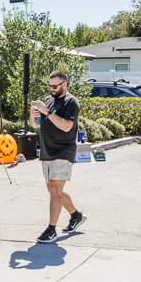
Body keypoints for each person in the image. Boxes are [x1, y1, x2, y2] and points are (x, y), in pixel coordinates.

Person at [31, 70, 86, 243]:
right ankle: (76, 215)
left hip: (64, 151)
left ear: (64, 84)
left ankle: (51, 229)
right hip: (47, 151)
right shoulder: (47, 101)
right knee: (54, 189)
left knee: (55, 190)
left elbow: (66, 126)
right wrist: (34, 116)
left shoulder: (71, 102)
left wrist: (47, 112)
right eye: (49, 85)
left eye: (55, 86)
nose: (51, 89)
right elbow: (36, 125)